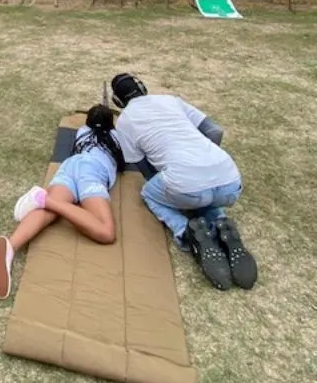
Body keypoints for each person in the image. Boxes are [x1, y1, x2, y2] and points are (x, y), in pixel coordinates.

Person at [110, 73, 257, 291]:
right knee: (203, 192)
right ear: (143, 88)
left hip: (187, 187)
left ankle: (184, 232)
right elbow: (215, 131)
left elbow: (146, 171)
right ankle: (219, 221)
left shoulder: (124, 121)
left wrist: (176, 185)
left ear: (117, 101)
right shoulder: (171, 100)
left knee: (150, 193)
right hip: (230, 181)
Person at [0, 104, 122, 300]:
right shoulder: (116, 136)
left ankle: (11, 246)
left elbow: (93, 129)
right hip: (92, 171)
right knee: (105, 231)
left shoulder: (83, 132)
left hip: (69, 167)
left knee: (49, 212)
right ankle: (44, 200)